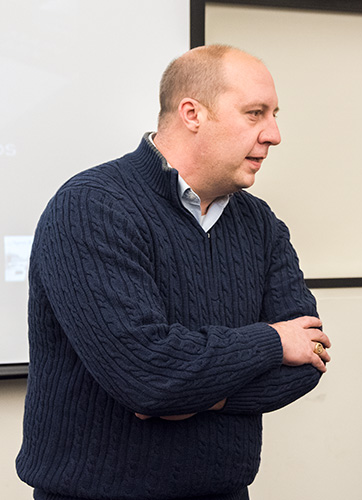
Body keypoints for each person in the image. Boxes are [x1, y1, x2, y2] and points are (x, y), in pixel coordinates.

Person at [16, 44, 331, 500]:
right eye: (255, 113)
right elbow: (148, 377)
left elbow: (312, 354)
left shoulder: (259, 223)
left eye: (274, 114)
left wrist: (198, 395)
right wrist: (273, 341)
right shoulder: (91, 207)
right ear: (192, 113)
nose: (274, 134)